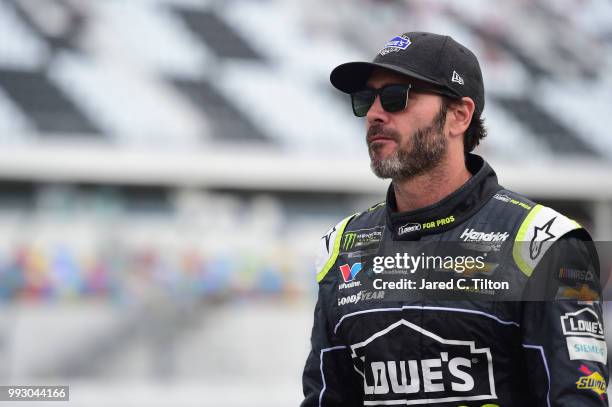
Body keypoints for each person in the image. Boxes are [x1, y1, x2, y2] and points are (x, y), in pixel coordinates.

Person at [300, 31, 608, 406]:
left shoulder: (546, 244)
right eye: (366, 100)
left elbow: (576, 400)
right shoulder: (344, 246)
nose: (375, 115)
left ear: (459, 116)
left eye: (397, 97)